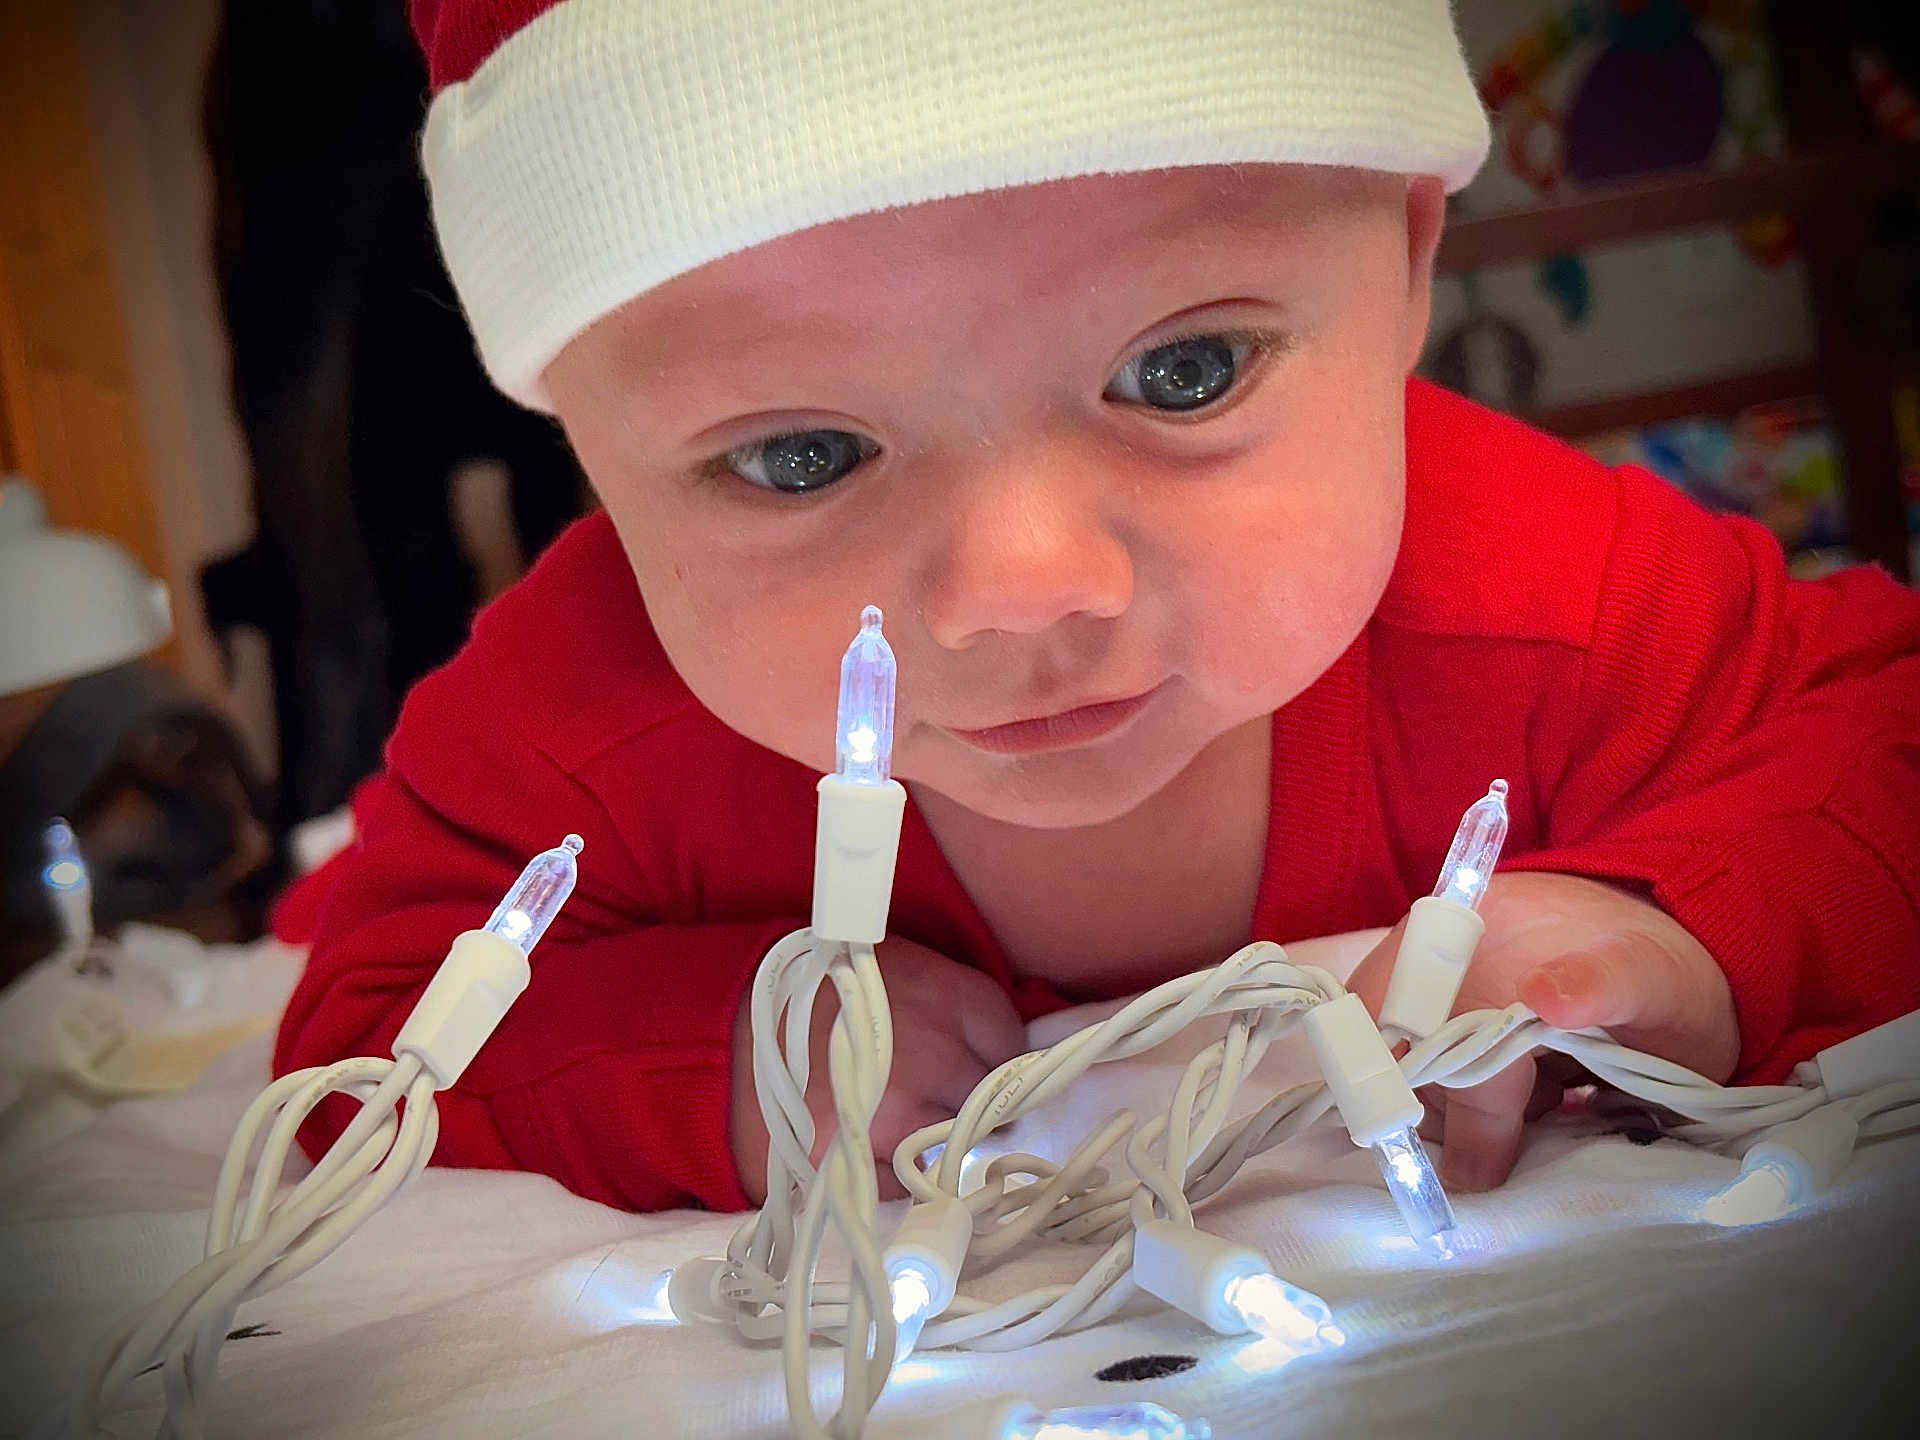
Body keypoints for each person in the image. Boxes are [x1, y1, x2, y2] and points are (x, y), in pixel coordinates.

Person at [276, 0, 1920, 1213]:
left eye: (1184, 370)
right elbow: (362, 1040)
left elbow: (1884, 745)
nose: (1020, 589)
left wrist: (1678, 927)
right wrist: (705, 1056)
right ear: (583, 438)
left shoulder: (1550, 599)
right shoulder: (583, 722)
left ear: (1413, 261)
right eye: (797, 456)